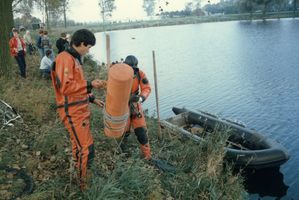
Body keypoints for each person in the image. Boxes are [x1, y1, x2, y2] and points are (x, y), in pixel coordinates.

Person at [50, 29, 105, 190]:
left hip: (80, 109)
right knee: (87, 149)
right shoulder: (64, 58)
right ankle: (85, 186)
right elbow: (66, 87)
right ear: (81, 43)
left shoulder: (74, 58)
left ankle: (79, 173)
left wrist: (92, 98)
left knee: (78, 145)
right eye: (88, 47)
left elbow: (77, 84)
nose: (88, 51)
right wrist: (90, 84)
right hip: (73, 112)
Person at [121, 55, 175, 171]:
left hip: (135, 105)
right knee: (123, 130)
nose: (132, 71)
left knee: (142, 131)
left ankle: (147, 156)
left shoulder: (140, 74)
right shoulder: (118, 73)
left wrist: (140, 98)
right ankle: (123, 147)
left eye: (133, 69)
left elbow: (146, 88)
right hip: (121, 106)